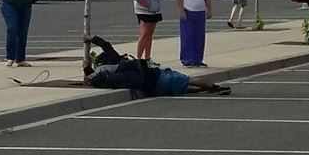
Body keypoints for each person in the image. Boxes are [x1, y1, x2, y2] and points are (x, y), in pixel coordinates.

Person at [82, 35, 230, 95]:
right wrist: (92, 38)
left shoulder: (108, 75)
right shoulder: (118, 63)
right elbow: (106, 46)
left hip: (152, 88)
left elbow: (95, 77)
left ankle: (205, 90)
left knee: (183, 87)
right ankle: (215, 87)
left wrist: (86, 69)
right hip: (156, 75)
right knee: (186, 79)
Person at [176, 0, 212, 67]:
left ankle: (197, 59)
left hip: (200, 11)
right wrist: (181, 10)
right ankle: (187, 59)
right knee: (187, 36)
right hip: (188, 11)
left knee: (199, 37)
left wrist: (209, 9)